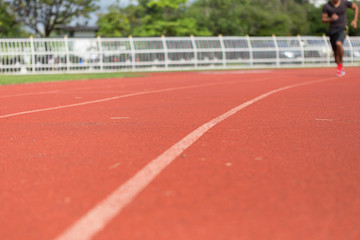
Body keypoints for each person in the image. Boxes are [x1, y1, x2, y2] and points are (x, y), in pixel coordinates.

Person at [322, 0, 358, 77]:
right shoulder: (326, 6)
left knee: (338, 43)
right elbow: (323, 19)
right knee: (335, 56)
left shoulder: (345, 3)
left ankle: (340, 65)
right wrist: (330, 19)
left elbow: (356, 7)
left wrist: (355, 20)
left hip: (343, 28)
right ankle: (339, 65)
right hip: (332, 30)